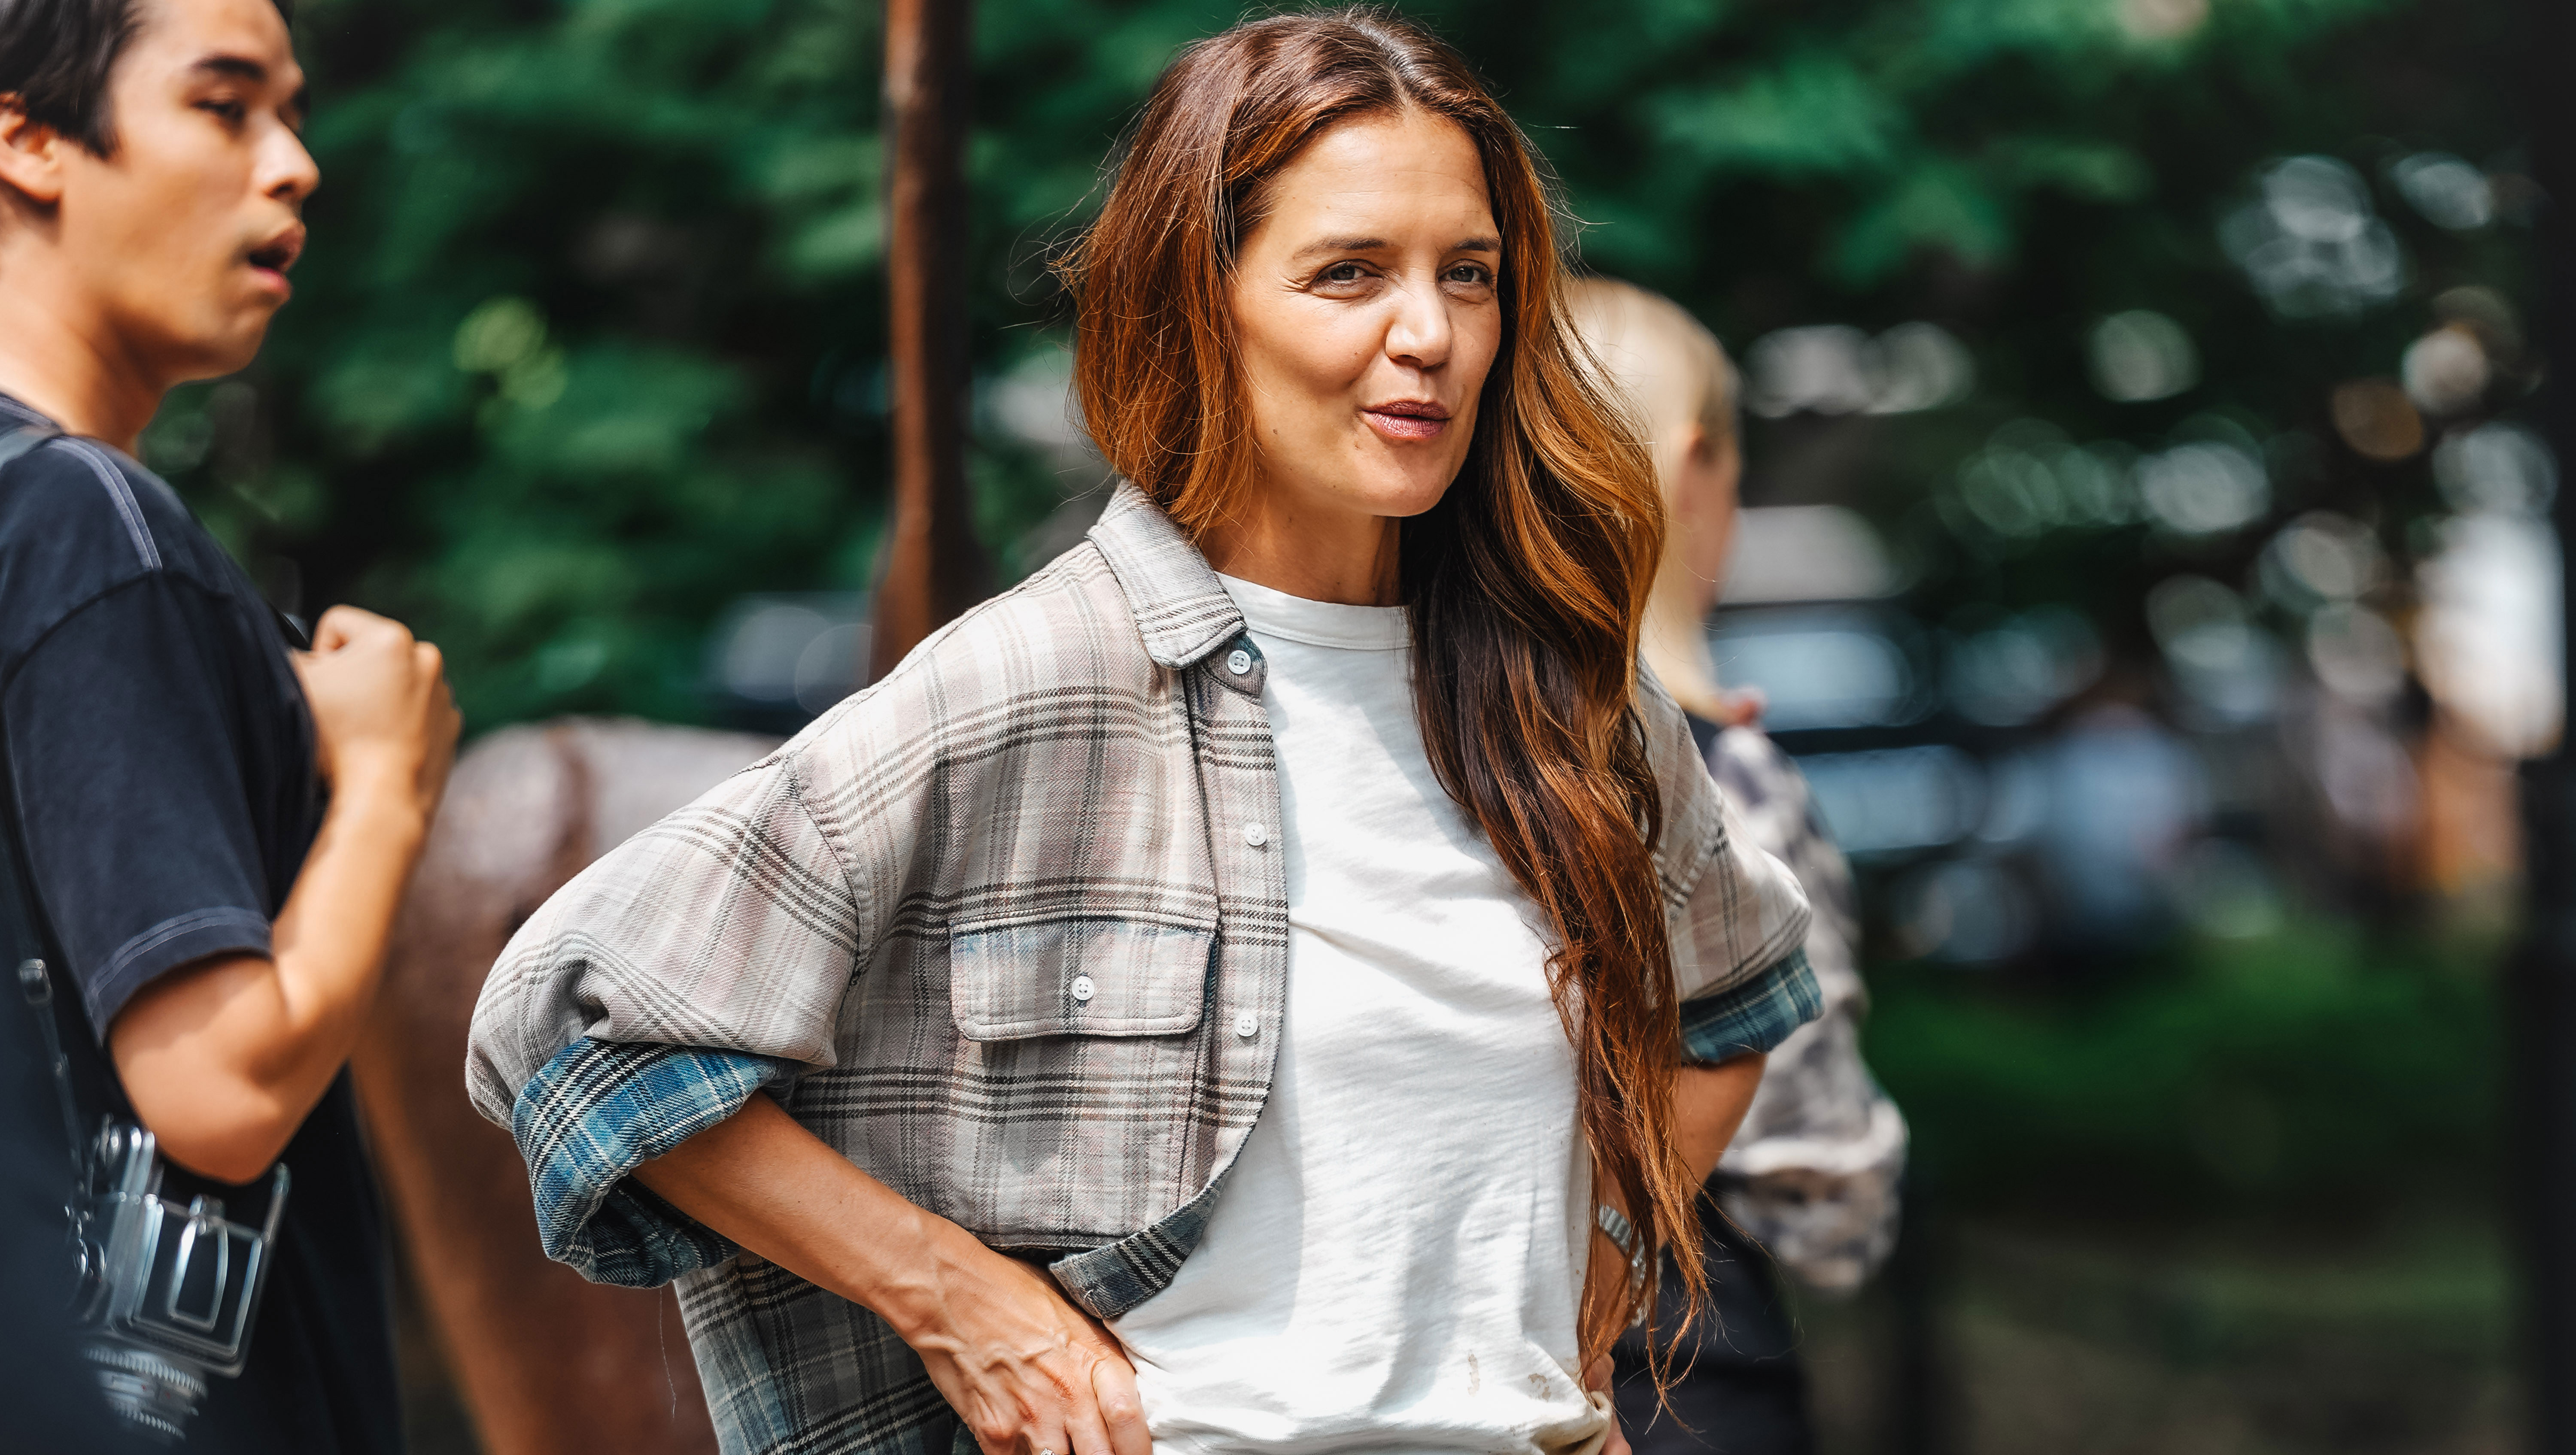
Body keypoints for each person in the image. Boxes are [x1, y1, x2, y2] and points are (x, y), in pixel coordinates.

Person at [466, 11, 1820, 1455]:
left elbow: (1730, 1005)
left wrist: (1587, 1316)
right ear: (1203, 300)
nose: (1427, 333)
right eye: (1348, 272)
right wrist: (961, 1307)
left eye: (1468, 275)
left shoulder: (1571, 700)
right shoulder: (1037, 680)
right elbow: (576, 1030)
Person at [0, 0, 459, 1448]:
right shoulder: (86, 529)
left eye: (296, 112)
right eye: (225, 105)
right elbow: (219, 1085)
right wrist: (387, 779)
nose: (295, 164)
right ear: (26, 139)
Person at [1564, 278, 1909, 1454]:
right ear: (1694, 466)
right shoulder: (1731, 781)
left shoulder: (1436, 749)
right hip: (1684, 1376)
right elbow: (1819, 1176)